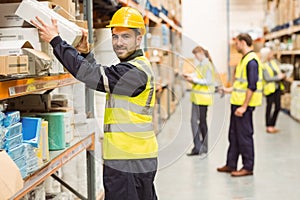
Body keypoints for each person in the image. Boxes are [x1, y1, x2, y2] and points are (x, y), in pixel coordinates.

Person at [31, 7, 158, 200]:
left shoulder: (134, 72)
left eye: (125, 37)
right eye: (115, 37)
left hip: (127, 160)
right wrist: (87, 54)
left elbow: (92, 76)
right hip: (137, 156)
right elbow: (103, 75)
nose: (119, 43)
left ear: (138, 38)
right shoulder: (135, 66)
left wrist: (55, 41)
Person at [217, 33, 263, 177]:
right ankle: (231, 164)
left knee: (244, 136)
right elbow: (240, 86)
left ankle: (248, 167)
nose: (235, 46)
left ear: (243, 43)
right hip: (236, 104)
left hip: (243, 107)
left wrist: (243, 106)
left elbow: (252, 86)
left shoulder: (252, 61)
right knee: (234, 135)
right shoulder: (244, 60)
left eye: (237, 43)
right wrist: (227, 90)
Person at [184, 46, 215, 156]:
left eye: (196, 54)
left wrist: (194, 80)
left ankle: (203, 147)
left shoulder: (207, 65)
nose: (195, 57)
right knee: (195, 122)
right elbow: (198, 76)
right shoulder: (201, 65)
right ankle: (197, 147)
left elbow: (208, 81)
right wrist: (190, 77)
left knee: (202, 122)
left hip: (203, 99)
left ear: (201, 52)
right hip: (197, 98)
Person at [260, 47, 285, 133]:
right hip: (269, 89)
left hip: (277, 87)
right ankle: (268, 126)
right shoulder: (263, 65)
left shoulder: (274, 63)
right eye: (270, 53)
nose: (272, 54)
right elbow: (267, 78)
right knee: (269, 107)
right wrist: (278, 77)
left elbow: (279, 70)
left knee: (278, 107)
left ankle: (273, 125)